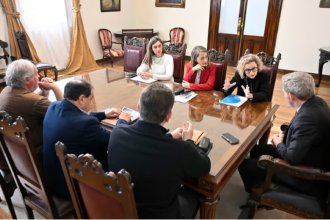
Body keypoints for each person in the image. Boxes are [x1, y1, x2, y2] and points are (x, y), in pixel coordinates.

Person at [107, 83, 211, 219]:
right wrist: (188, 141)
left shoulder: (117, 132)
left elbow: (146, 145)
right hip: (161, 215)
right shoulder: (179, 149)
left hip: (124, 209)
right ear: (168, 116)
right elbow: (204, 166)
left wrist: (168, 137)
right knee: (197, 192)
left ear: (139, 107)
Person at [238, 72, 330, 202]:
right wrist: (284, 134)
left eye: (284, 93)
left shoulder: (307, 120)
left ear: (292, 96)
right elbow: (301, 132)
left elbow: (292, 158)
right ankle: (260, 180)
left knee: (245, 165)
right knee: (255, 150)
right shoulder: (317, 102)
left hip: (307, 176)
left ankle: (257, 196)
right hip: (307, 153)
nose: (284, 96)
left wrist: (277, 142)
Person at [43, 79, 130, 200]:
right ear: (82, 99)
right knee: (123, 157)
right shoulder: (85, 124)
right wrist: (123, 121)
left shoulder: (54, 106)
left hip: (53, 178)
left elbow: (76, 115)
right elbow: (115, 141)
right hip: (74, 187)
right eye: (91, 98)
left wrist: (103, 114)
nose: (92, 102)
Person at [0, 59, 63, 196]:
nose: (39, 76)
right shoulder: (33, 101)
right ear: (27, 80)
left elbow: (31, 105)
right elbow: (65, 112)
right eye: (36, 74)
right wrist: (55, 87)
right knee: (67, 135)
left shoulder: (6, 90)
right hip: (30, 157)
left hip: (7, 153)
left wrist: (44, 93)